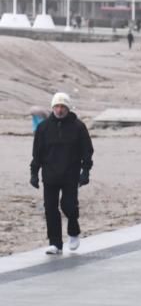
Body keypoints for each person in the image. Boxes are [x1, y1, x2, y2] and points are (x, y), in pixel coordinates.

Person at [29, 92, 94, 256]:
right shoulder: (43, 128)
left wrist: (85, 171)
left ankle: (73, 231)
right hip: (50, 175)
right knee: (50, 208)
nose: (59, 110)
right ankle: (55, 243)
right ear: (52, 108)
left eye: (62, 107)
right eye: (56, 106)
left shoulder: (78, 126)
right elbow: (37, 152)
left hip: (70, 174)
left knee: (68, 206)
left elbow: (87, 151)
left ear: (67, 108)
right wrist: (34, 173)